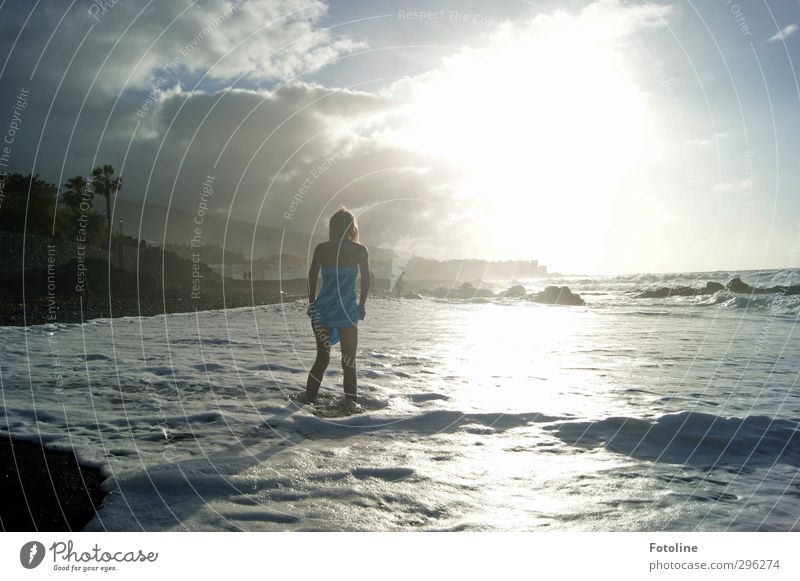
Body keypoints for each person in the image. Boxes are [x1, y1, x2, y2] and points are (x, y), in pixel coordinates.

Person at [303, 208, 370, 407]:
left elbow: (312, 276)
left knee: (322, 359)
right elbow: (366, 278)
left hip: (323, 311)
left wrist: (311, 303)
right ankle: (351, 406)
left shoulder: (322, 249)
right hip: (347, 311)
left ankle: (307, 403)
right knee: (349, 363)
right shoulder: (359, 250)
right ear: (352, 226)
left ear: (332, 226)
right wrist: (362, 305)